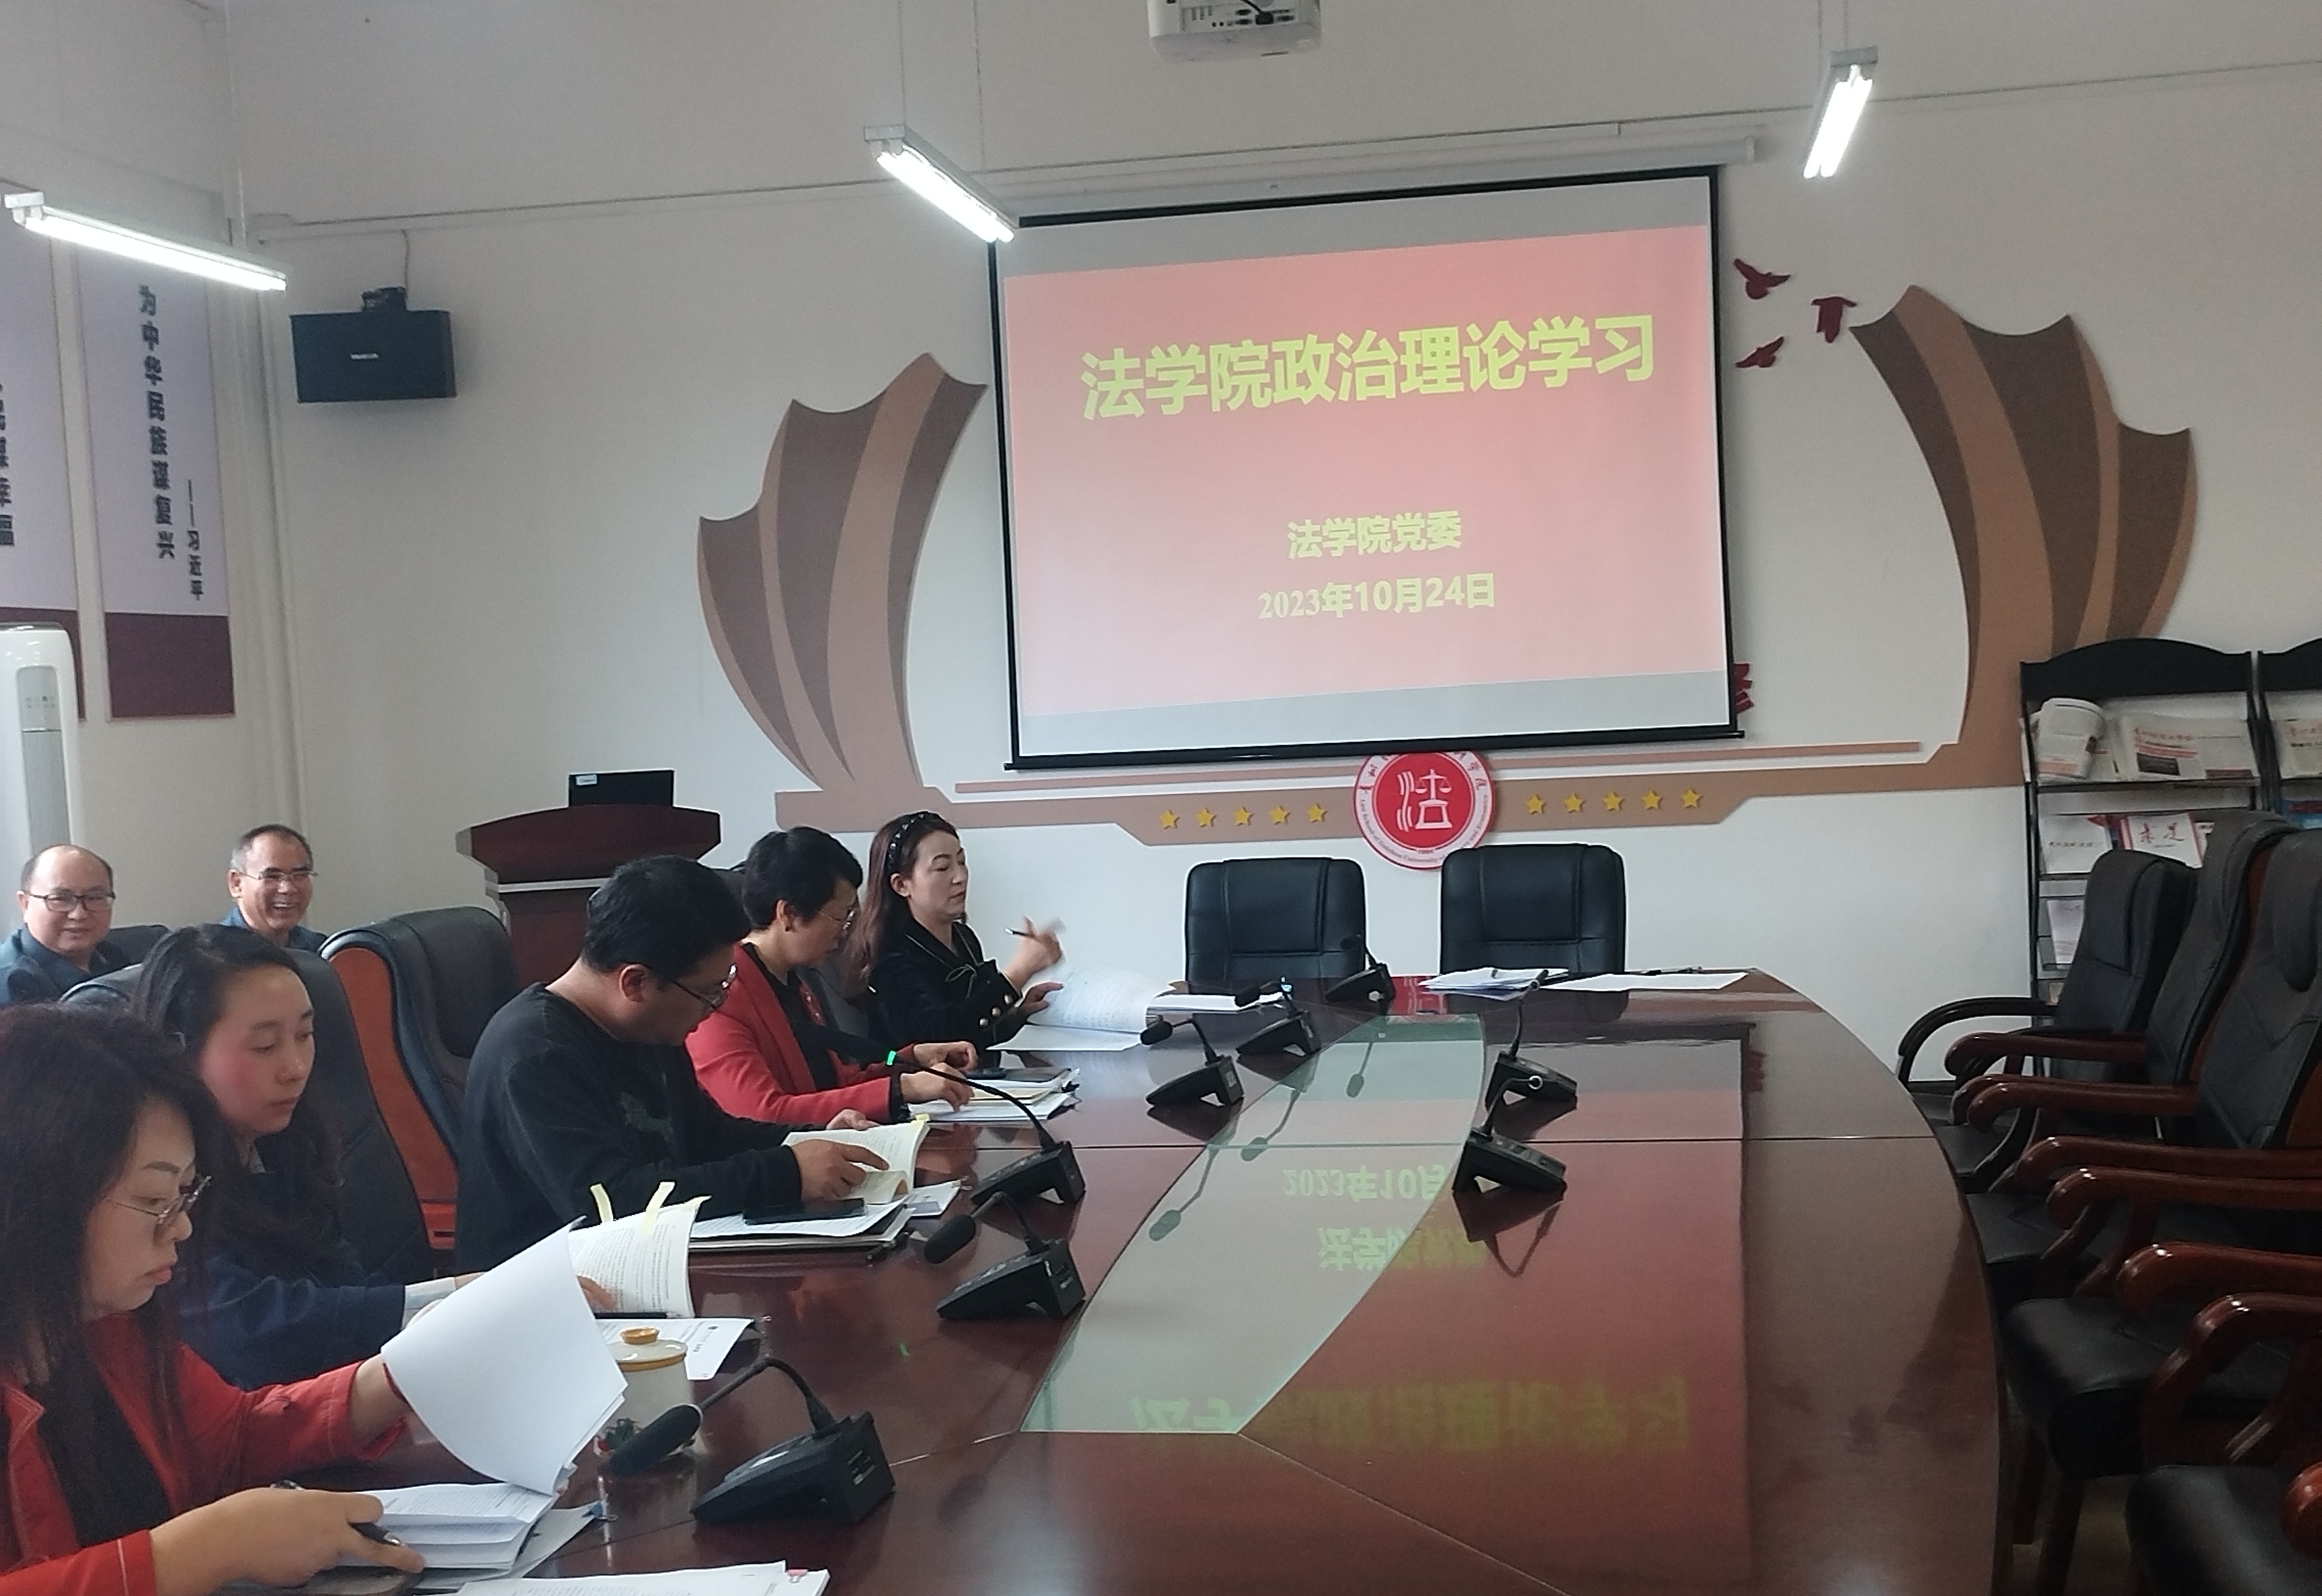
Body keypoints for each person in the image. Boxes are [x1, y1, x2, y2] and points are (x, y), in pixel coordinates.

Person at [0, 1002, 424, 1596]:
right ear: (34, 1197)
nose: (181, 1227)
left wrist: (402, 1373)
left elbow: (228, 1438)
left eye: (185, 1192)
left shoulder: (104, 1323)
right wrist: (212, 1546)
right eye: (154, 1200)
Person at [455, 854, 890, 1272]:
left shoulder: (647, 1024)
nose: (716, 1007)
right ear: (636, 983)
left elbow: (707, 1134)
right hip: (549, 1295)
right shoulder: (536, 1053)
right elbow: (611, 1204)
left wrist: (810, 1138)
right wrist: (786, 1172)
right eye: (710, 992)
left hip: (644, 1267)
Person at [133, 926, 457, 1388]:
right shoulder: (154, 1182)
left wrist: (455, 1301)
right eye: (265, 1046)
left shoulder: (284, 1142)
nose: (296, 1067)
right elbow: (252, 1330)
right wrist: (453, 1299)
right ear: (180, 1051)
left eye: (305, 1035)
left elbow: (337, 1277)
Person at [688, 828, 976, 1125]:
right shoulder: (722, 993)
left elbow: (833, 1085)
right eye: (840, 917)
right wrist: (902, 1088)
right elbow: (762, 1114)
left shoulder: (794, 982)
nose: (845, 932)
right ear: (788, 914)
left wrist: (912, 1060)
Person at [842, 811, 1063, 1055]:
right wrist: (1018, 973)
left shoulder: (963, 937)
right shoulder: (889, 953)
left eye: (962, 862)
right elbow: (941, 1035)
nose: (960, 877)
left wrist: (1018, 1016)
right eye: (942, 867)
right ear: (902, 885)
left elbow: (973, 1032)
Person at [1, 845, 129, 1007]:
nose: (79, 914)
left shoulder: (113, 958)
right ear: (25, 904)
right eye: (60, 899)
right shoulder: (9, 985)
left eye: (95, 898)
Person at [222, 825, 327, 952]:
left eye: (299, 875)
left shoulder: (320, 951)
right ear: (236, 884)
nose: (287, 889)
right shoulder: (212, 956)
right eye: (272, 876)